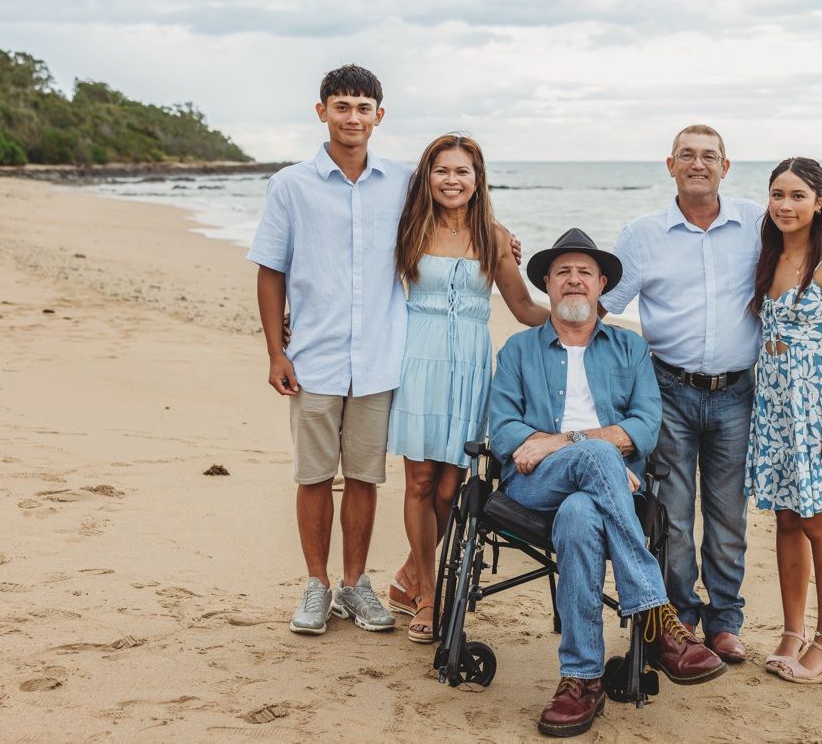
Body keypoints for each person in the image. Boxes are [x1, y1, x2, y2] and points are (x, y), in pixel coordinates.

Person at [598, 125, 822, 664]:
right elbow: (602, 303)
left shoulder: (754, 226)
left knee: (729, 515)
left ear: (725, 167)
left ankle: (726, 622)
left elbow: (805, 240)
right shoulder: (642, 234)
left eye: (708, 156)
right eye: (686, 155)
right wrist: (542, 308)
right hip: (667, 388)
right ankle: (684, 614)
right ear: (670, 165)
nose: (697, 164)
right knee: (674, 510)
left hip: (740, 392)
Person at [489, 228, 726, 738]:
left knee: (580, 515)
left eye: (584, 273)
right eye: (563, 273)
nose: (574, 281)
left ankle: (580, 680)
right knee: (597, 453)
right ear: (547, 285)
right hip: (533, 485)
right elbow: (505, 429)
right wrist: (588, 448)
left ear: (601, 285)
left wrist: (561, 439)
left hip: (600, 490)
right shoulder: (517, 350)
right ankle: (658, 616)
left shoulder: (630, 349)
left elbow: (645, 426)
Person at [247, 64, 404, 636]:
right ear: (322, 112)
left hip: (380, 360)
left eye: (364, 108)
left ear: (379, 116)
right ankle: (316, 585)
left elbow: (457, 201)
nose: (353, 117)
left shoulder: (403, 181)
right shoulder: (291, 184)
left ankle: (355, 585)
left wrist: (501, 233)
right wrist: (275, 352)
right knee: (314, 476)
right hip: (312, 359)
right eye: (342, 106)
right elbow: (271, 271)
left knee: (364, 478)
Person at [383, 133, 548, 643]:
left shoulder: (496, 238)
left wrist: (581, 321)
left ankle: (411, 571)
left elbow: (522, 307)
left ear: (478, 181)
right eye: (442, 171)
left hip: (471, 365)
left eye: (462, 172)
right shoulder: (407, 229)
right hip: (418, 361)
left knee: (452, 485)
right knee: (419, 480)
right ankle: (429, 596)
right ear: (426, 178)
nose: (452, 181)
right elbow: (366, 290)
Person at [747, 157, 822, 684]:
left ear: (820, 201)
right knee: (786, 519)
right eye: (777, 194)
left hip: (818, 411)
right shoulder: (767, 256)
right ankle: (793, 632)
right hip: (774, 409)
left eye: (798, 195)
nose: (785, 205)